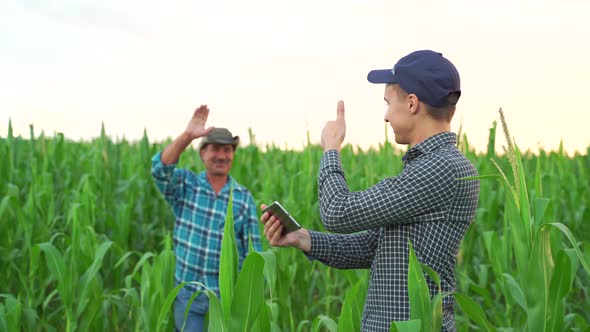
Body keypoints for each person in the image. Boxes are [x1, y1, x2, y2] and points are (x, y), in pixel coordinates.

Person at [260, 50, 480, 332]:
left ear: (412, 103)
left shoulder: (442, 168)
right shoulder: (429, 166)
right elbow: (372, 248)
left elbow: (337, 212)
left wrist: (331, 148)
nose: (386, 117)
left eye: (389, 103)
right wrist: (302, 238)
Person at [151, 105, 262, 332]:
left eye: (228, 150)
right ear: (202, 153)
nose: (222, 156)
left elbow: (252, 252)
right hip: (187, 296)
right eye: (215, 149)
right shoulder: (186, 185)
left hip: (223, 301)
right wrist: (187, 136)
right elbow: (160, 170)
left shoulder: (242, 198)